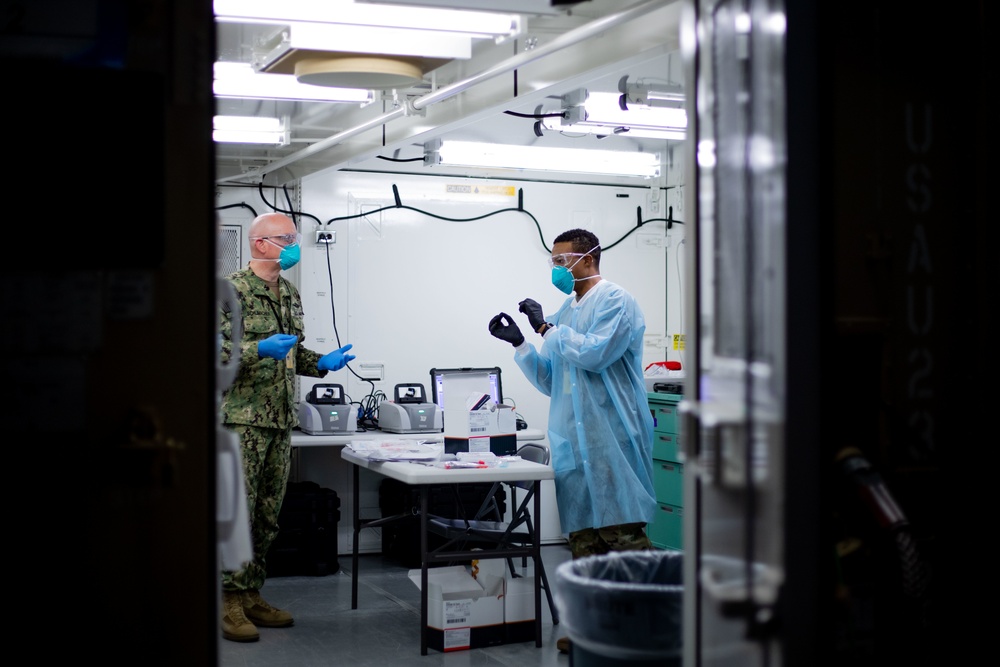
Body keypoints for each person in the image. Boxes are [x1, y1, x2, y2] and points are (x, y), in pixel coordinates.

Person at [488, 227, 656, 654]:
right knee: (582, 541)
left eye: (563, 261)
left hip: (613, 433)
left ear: (589, 258)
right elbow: (552, 378)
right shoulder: (567, 310)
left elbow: (595, 355)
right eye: (553, 262)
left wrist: (545, 327)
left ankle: (648, 624)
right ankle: (592, 628)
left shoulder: (616, 301)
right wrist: (523, 342)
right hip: (573, 439)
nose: (557, 269)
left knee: (622, 538)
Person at [219, 212, 356, 643]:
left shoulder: (291, 293)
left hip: (280, 422)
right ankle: (228, 600)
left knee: (266, 516)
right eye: (286, 238)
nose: (295, 244)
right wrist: (256, 347)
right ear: (259, 243)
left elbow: (291, 352)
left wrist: (322, 363)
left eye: (295, 238)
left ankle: (252, 593)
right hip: (241, 421)